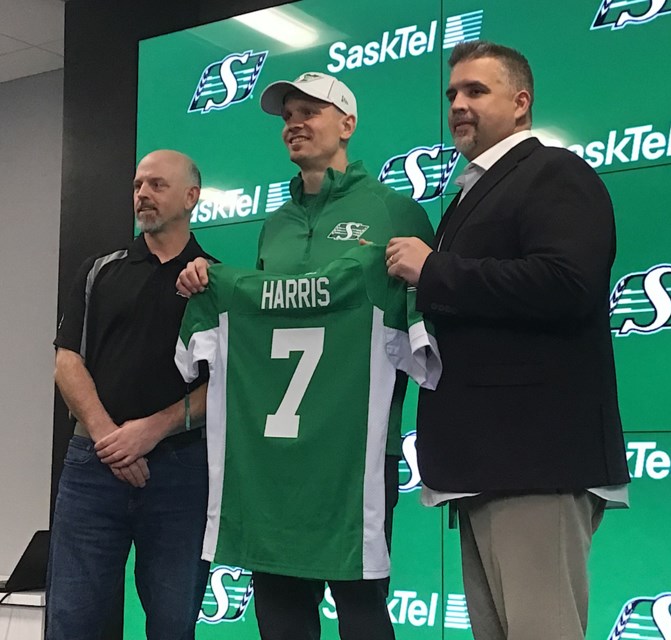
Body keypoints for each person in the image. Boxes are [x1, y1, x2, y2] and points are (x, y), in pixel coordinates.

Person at [385, 41, 632, 640]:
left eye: (476, 91)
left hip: (534, 461)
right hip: (484, 463)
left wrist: (434, 271)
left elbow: (568, 283)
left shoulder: (554, 172)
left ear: (521, 104)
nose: (458, 105)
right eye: (452, 95)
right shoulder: (472, 191)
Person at [177, 72, 435, 640]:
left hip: (353, 459)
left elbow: (426, 319)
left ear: (347, 124)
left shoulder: (396, 211)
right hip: (272, 462)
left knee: (363, 611)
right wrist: (207, 280)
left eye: (310, 111)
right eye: (287, 114)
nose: (294, 122)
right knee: (280, 615)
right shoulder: (276, 225)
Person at [47, 149, 216, 640]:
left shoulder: (216, 281)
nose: (142, 194)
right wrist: (110, 439)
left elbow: (224, 386)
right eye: (138, 185)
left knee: (172, 624)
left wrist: (151, 430)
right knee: (73, 622)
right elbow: (66, 360)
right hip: (92, 469)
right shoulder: (99, 270)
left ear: (191, 197)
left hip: (181, 472)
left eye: (157, 185)